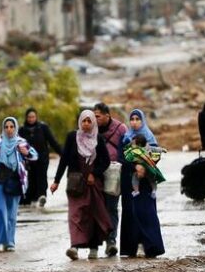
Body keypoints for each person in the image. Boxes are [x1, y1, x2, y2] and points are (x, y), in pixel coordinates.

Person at [51, 110, 113, 260]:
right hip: (75, 183)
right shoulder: (72, 137)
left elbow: (106, 161)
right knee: (75, 214)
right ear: (79, 122)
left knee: (93, 215)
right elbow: (64, 159)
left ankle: (94, 247)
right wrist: (56, 181)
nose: (86, 124)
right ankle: (74, 247)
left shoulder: (98, 139)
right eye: (83, 121)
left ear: (93, 123)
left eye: (89, 121)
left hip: (93, 184)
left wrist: (95, 173)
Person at [0, 117, 38, 252]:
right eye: (6, 127)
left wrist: (26, 153)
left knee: (12, 214)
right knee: (1, 211)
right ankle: (0, 241)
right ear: (3, 128)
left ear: (15, 128)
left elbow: (34, 155)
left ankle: (10, 242)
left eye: (11, 127)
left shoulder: (21, 143)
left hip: (15, 181)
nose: (9, 129)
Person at [119, 109, 165, 258]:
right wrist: (135, 167)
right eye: (131, 119)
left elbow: (155, 156)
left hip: (145, 182)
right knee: (130, 213)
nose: (134, 122)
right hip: (129, 181)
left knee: (147, 212)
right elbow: (122, 158)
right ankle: (131, 248)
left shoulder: (150, 137)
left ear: (142, 120)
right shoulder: (126, 138)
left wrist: (145, 167)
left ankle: (152, 246)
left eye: (137, 119)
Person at [93, 102, 127, 257]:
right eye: (94, 116)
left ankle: (111, 242)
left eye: (98, 116)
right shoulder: (90, 129)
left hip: (115, 173)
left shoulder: (121, 129)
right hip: (96, 175)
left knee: (112, 207)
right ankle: (95, 243)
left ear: (107, 115)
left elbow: (127, 150)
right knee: (97, 208)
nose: (95, 119)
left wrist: (121, 166)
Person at [18, 108, 62, 208]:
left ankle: (42, 196)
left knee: (42, 177)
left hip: (42, 159)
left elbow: (52, 142)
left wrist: (63, 154)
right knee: (31, 179)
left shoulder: (43, 127)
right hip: (28, 161)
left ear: (36, 117)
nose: (31, 119)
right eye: (29, 117)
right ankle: (30, 200)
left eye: (33, 117)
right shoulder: (22, 130)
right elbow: (17, 145)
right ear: (26, 118)